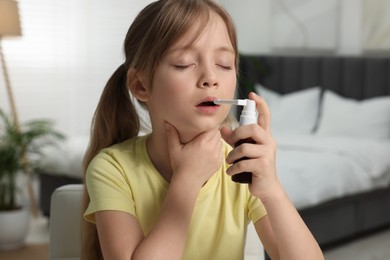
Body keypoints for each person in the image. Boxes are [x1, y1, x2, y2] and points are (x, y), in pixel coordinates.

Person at [81, 0, 324, 259]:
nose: (211, 77)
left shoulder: (239, 166)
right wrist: (186, 183)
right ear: (141, 85)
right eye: (184, 63)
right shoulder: (112, 168)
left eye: (224, 64)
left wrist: (272, 189)